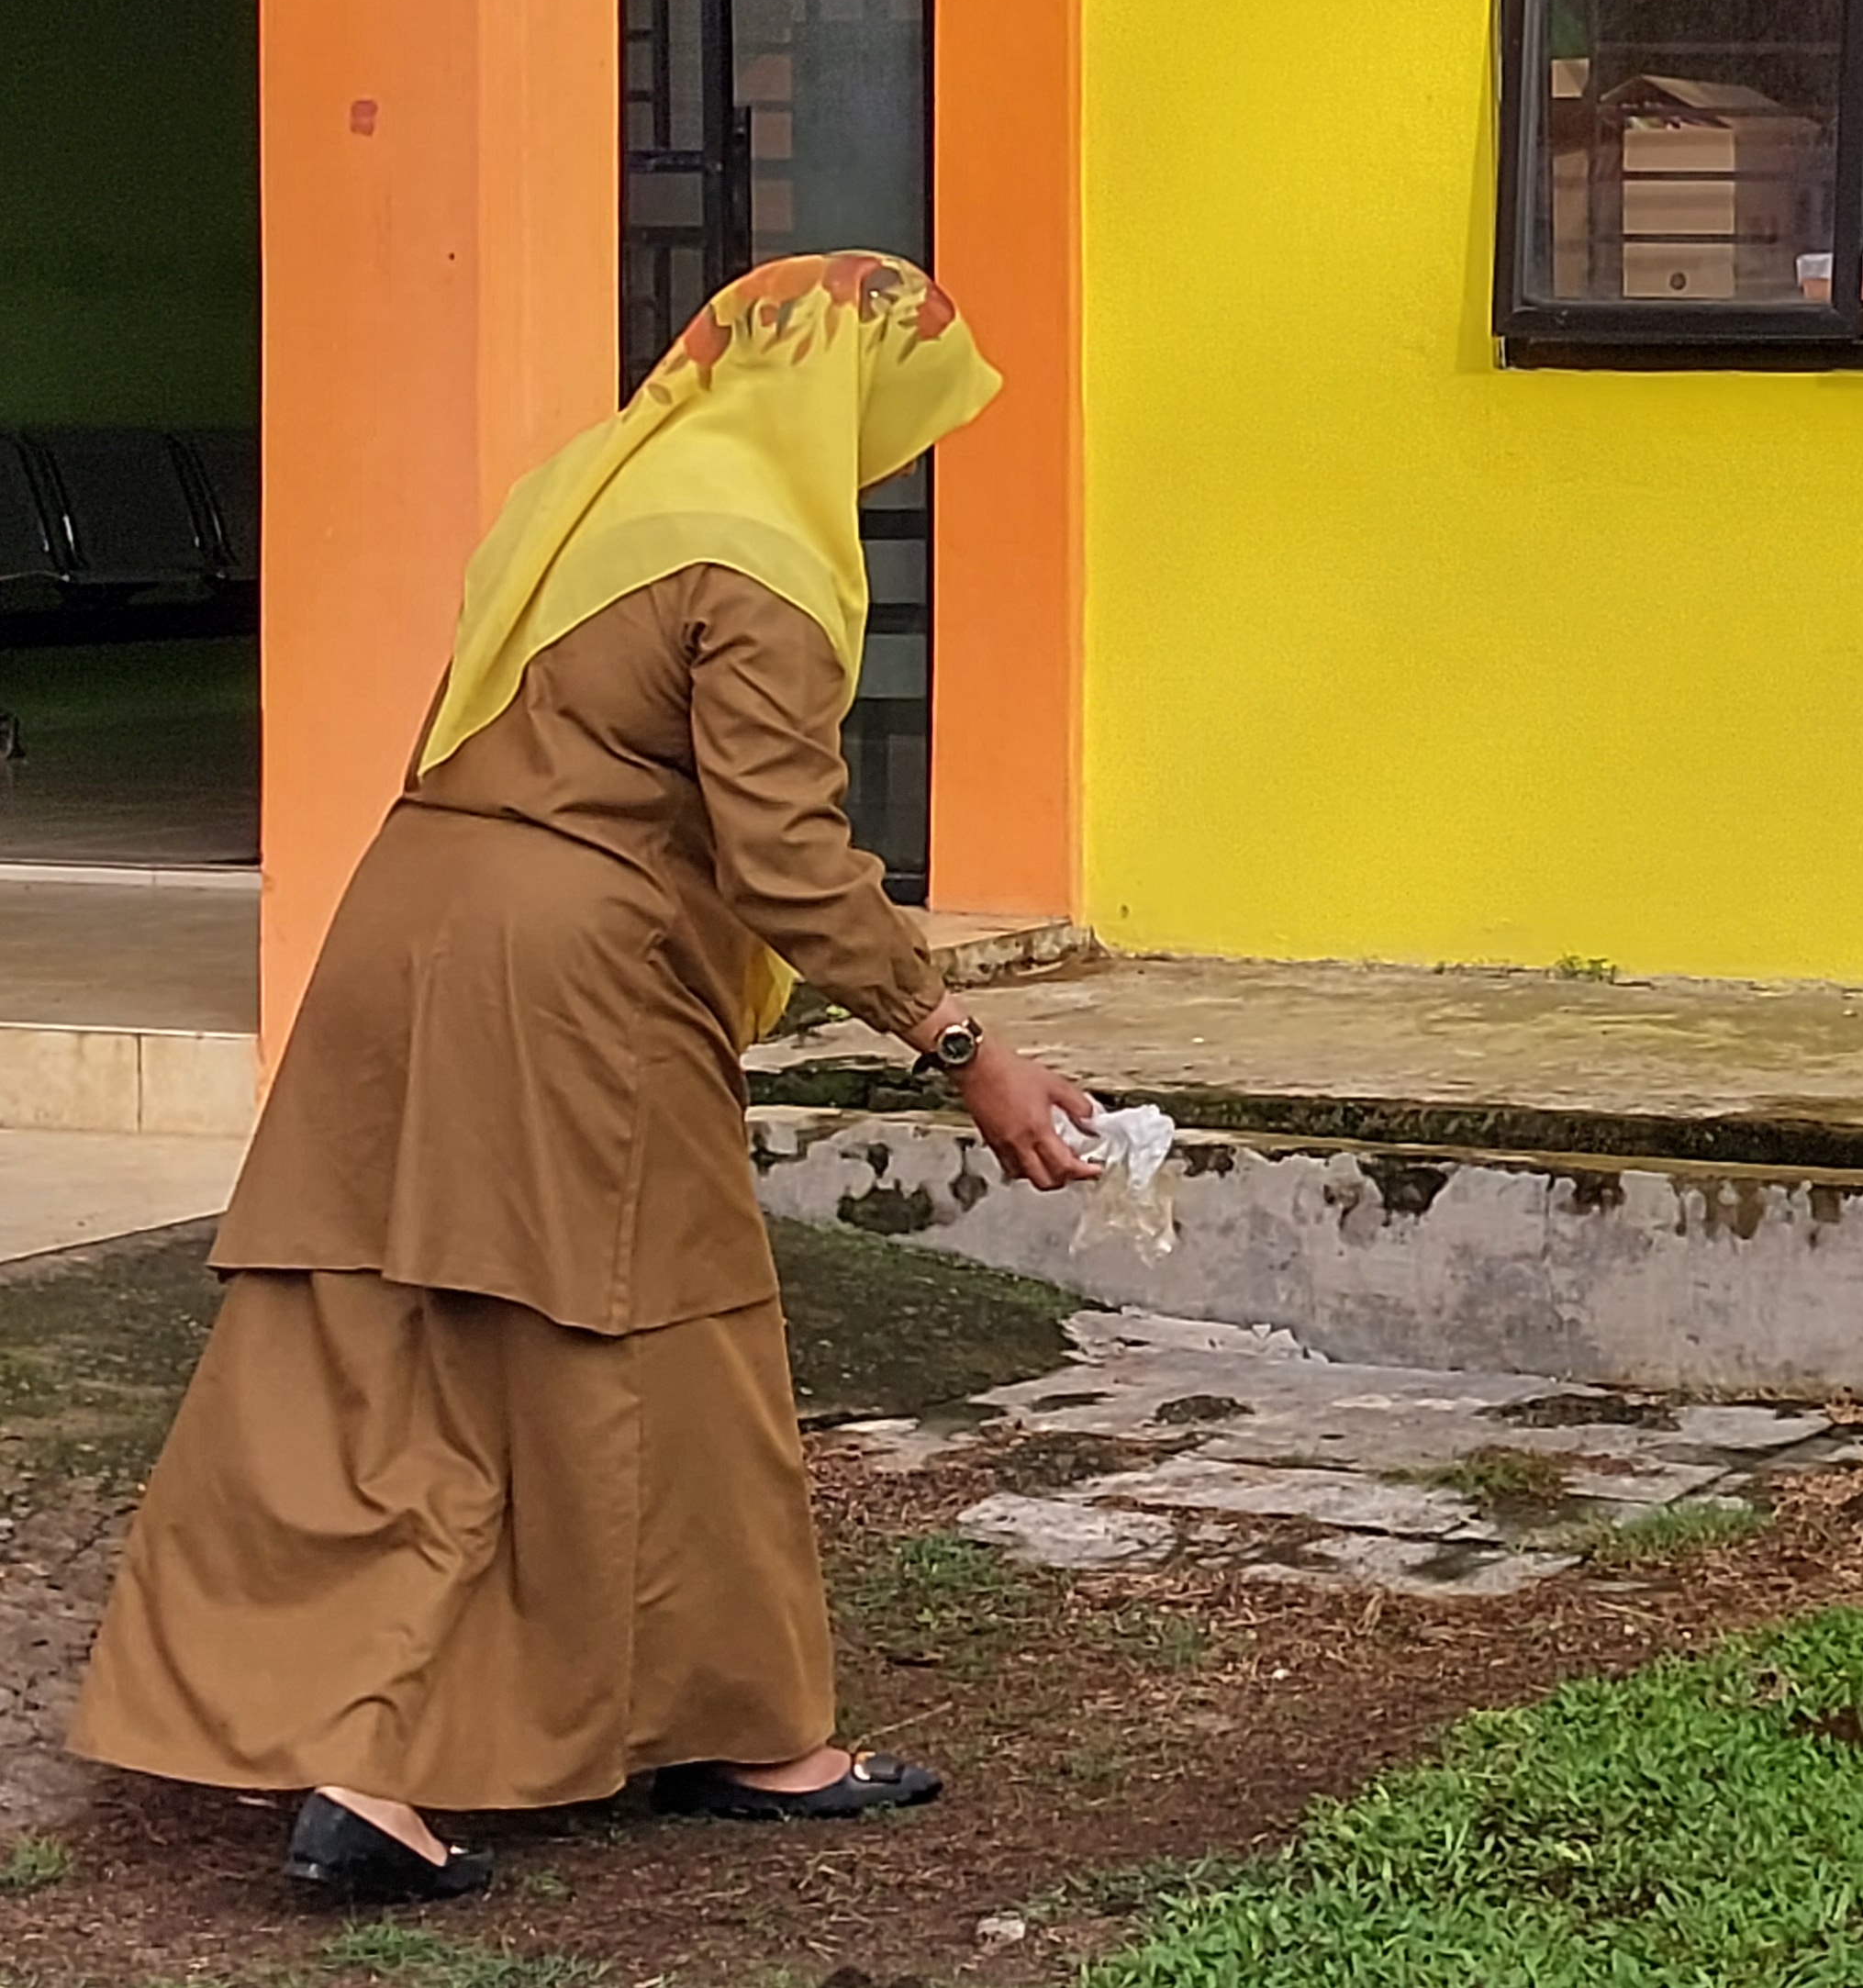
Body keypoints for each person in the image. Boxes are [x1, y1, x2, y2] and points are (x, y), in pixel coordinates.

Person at [70, 254, 1105, 1901]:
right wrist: (956, 1040)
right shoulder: (758, 558)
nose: (897, 457)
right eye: (900, 420)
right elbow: (779, 853)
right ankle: (731, 1736)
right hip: (572, 973)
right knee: (664, 1330)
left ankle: (367, 1741)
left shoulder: (593, 489)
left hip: (408, 921)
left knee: (377, 1333)